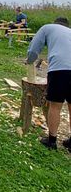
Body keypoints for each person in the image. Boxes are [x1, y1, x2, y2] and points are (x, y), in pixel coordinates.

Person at [26, 17, 71, 150]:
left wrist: (29, 60)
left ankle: (52, 140)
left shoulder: (47, 27)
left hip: (60, 69)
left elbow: (34, 49)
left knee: (55, 106)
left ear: (55, 23)